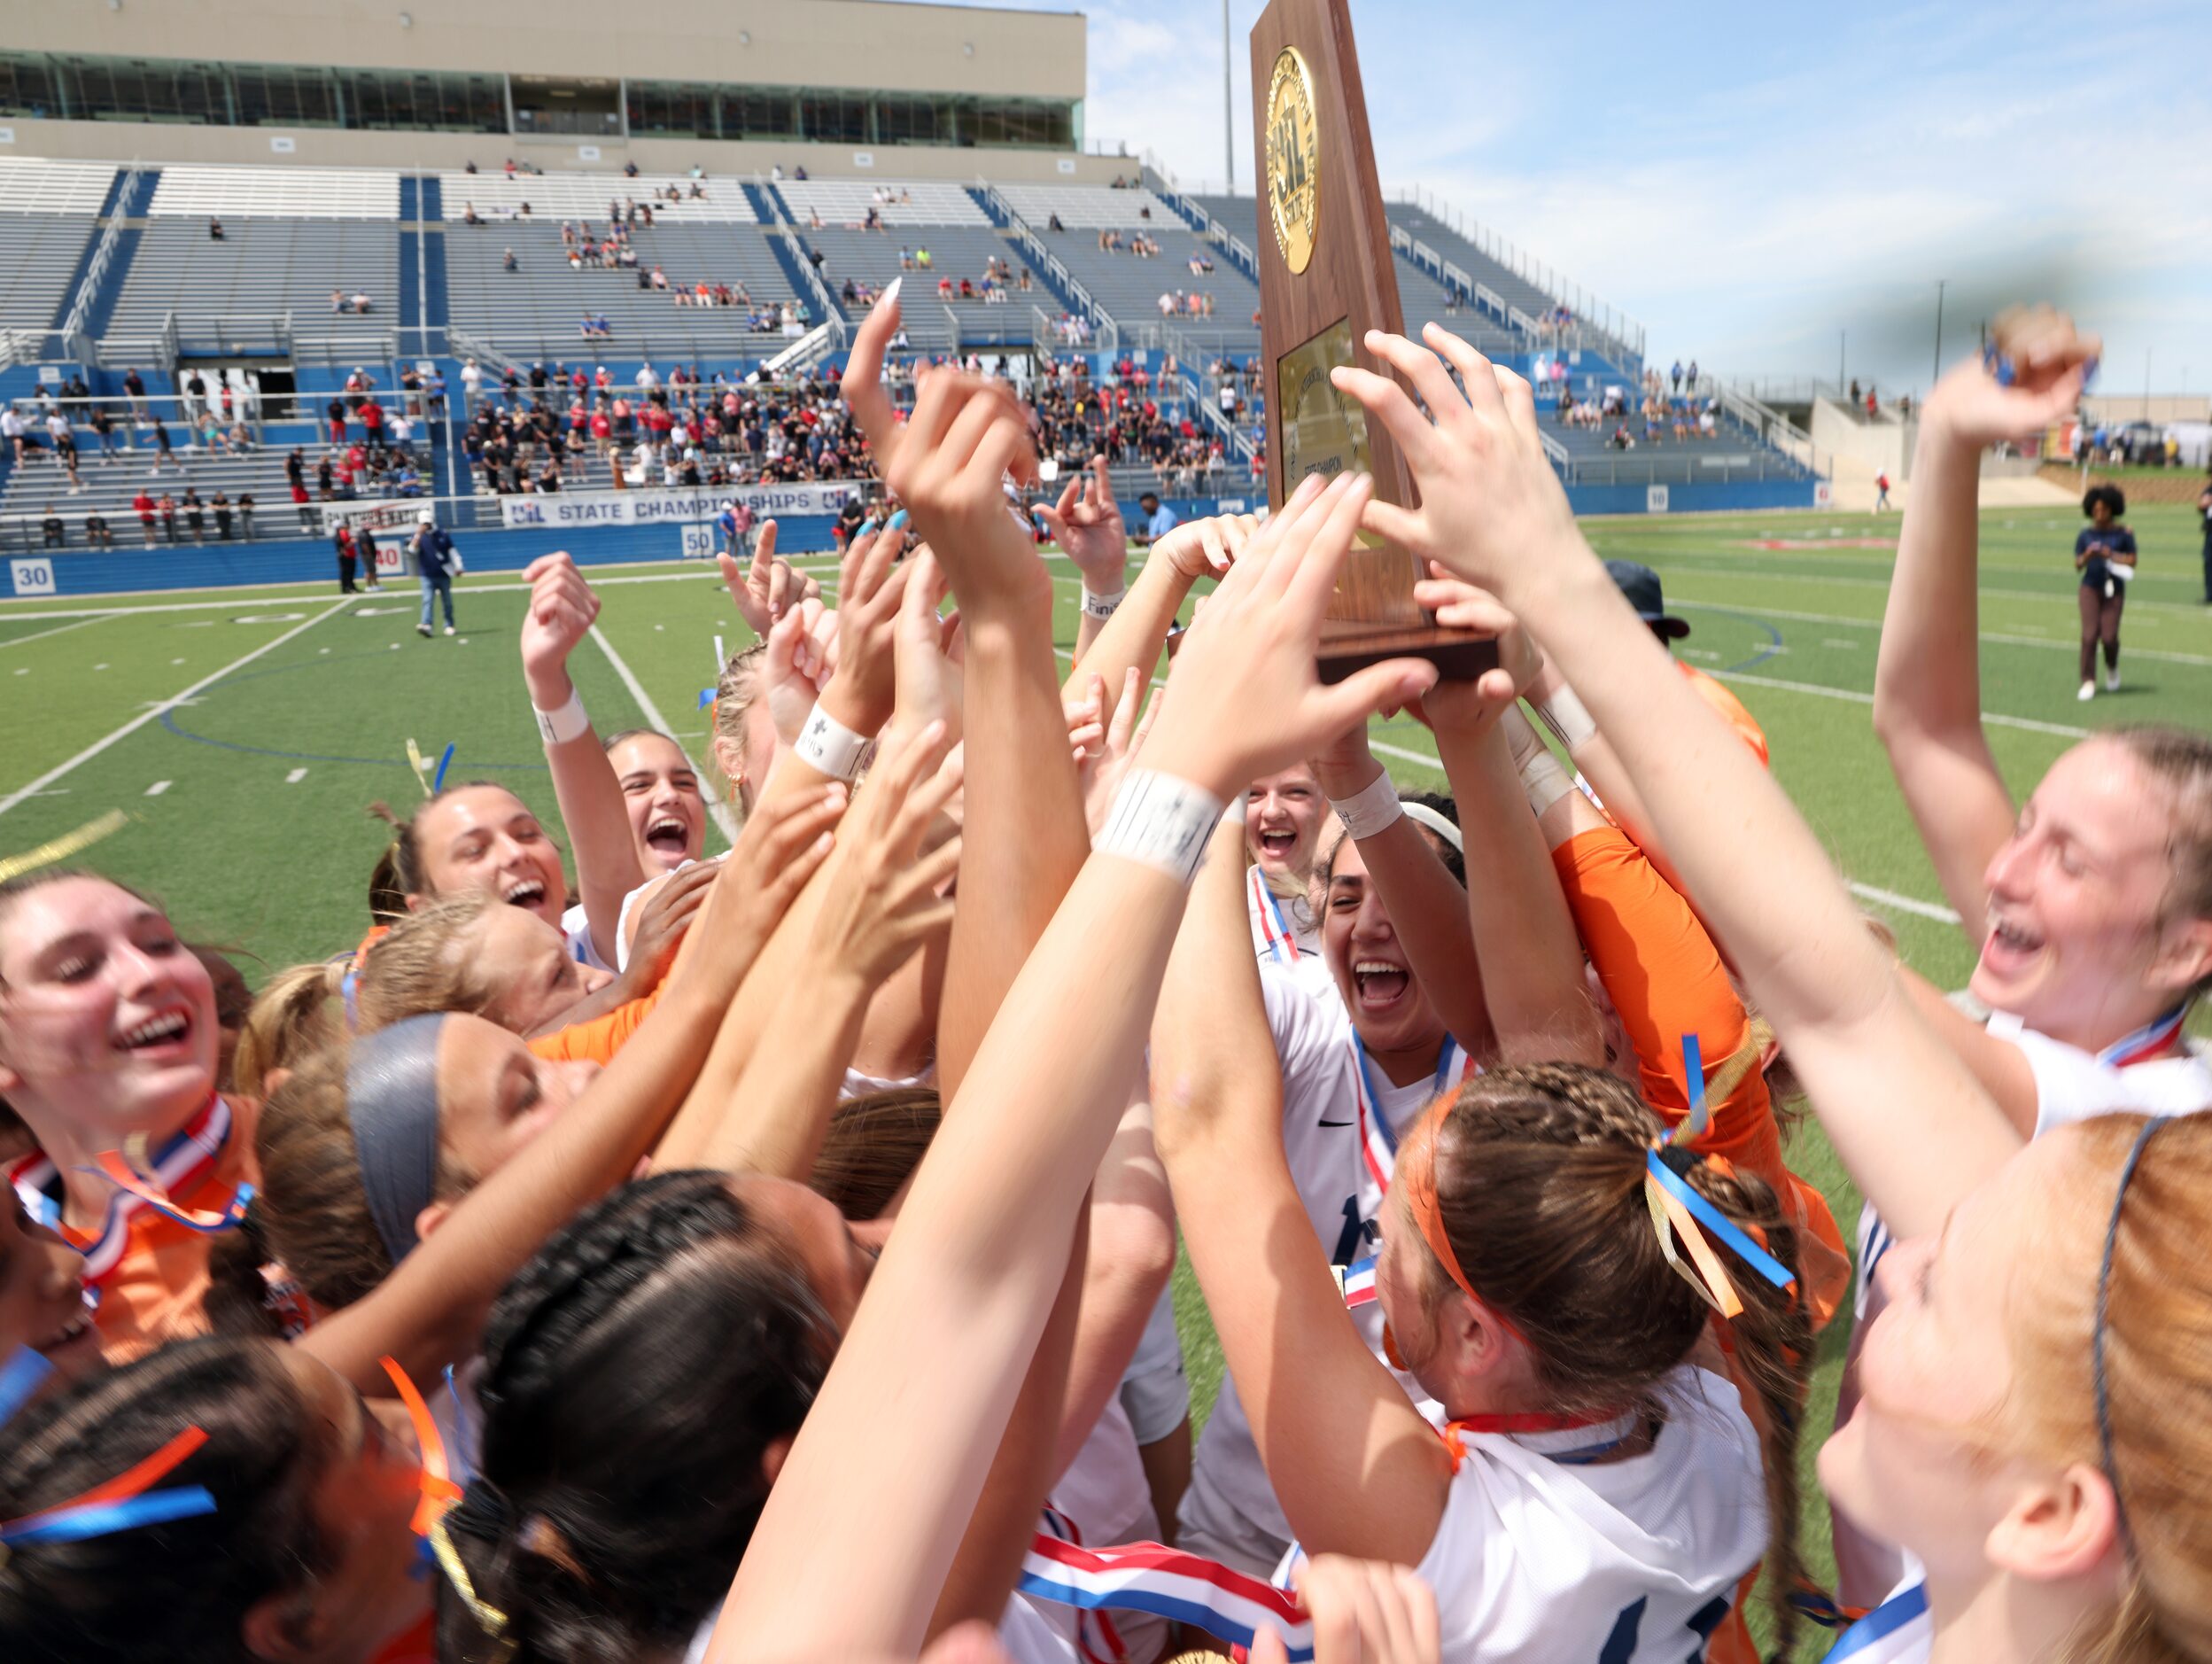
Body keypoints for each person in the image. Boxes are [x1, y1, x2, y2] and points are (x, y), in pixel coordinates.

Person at [1337, 309, 2212, 1664]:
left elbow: (1821, 975)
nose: (2004, 867)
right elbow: (1911, 754)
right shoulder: (2081, 1131)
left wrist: (1549, 598)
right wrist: (1948, 439)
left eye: (1940, 1278)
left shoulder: (2121, 1137)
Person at [2071, 483, 2137, 700]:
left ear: (2112, 509)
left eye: (2104, 509)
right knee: (2089, 635)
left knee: (2109, 637)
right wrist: (2087, 556)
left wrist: (2112, 555)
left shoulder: (2123, 533)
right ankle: (2088, 680)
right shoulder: (2085, 535)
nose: (2099, 514)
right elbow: (2077, 565)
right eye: (2095, 510)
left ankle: (2112, 666)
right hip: (2090, 587)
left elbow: (2132, 561)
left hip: (2114, 590)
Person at [411, 509, 460, 637]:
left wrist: (459, 566)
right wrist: (418, 535)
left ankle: (449, 625)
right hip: (427, 575)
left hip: (443, 574)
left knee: (447, 601)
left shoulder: (442, 534)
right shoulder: (419, 536)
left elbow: (452, 552)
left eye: (427, 523)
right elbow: (412, 550)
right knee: (427, 600)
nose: (426, 526)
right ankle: (427, 625)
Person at [334, 522, 359, 593]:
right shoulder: (342, 533)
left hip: (350, 555)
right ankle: (348, 587)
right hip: (346, 556)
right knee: (347, 573)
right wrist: (352, 541)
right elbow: (345, 546)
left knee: (351, 572)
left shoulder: (346, 533)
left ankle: (351, 587)